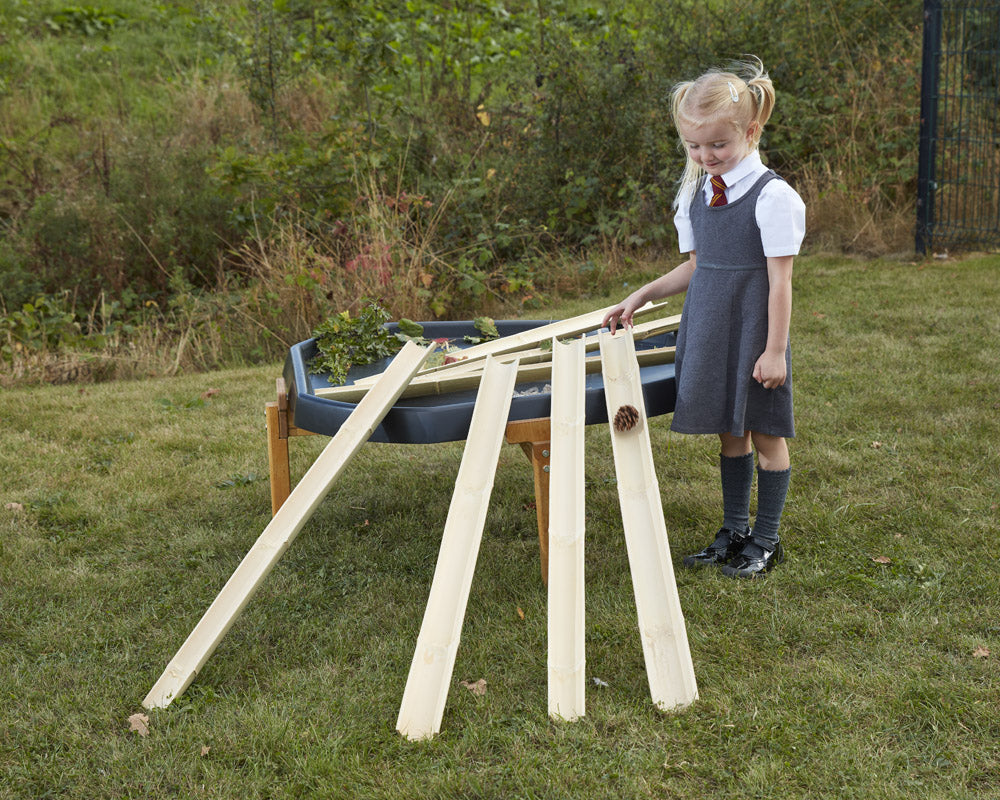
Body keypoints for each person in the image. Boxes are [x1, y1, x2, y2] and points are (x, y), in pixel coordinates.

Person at [603, 57, 805, 578]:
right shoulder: (694, 193)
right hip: (711, 328)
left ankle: (766, 539)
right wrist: (642, 295)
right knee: (727, 431)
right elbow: (696, 267)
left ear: (751, 131)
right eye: (694, 146)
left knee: (763, 434)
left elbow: (780, 280)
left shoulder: (773, 197)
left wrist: (775, 350)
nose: (705, 155)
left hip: (755, 333)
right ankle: (734, 530)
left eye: (718, 144)